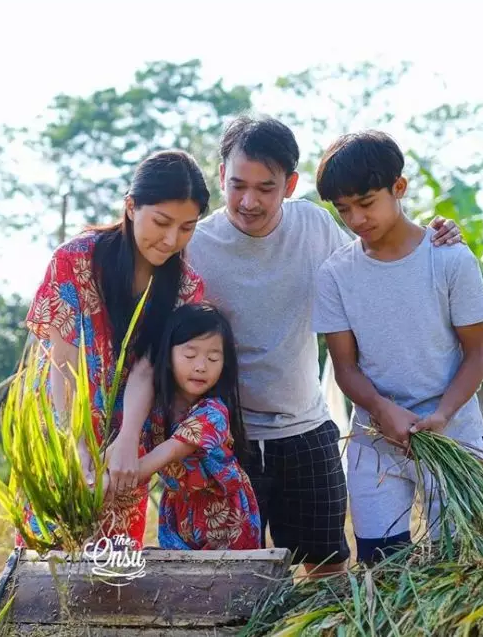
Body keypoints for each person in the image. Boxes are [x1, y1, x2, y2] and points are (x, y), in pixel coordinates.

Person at [184, 115, 463, 574]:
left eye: (266, 188)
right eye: (237, 185)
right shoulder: (196, 246)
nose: (249, 201)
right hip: (225, 435)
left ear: (290, 185)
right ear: (221, 177)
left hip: (306, 429)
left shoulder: (314, 227)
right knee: (228, 576)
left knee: (328, 570)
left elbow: (376, 259)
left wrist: (436, 239)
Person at [312, 130, 483, 564]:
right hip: (376, 439)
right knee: (381, 565)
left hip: (453, 435)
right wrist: (382, 409)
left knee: (461, 565)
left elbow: (476, 355)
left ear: (399, 187)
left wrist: (442, 415)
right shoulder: (335, 274)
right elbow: (345, 368)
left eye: (366, 202)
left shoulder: (450, 259)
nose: (356, 219)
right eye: (343, 209)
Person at [21, 149, 210, 548]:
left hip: (127, 427)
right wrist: (74, 445)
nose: (171, 240)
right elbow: (62, 364)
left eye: (187, 228)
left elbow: (147, 368)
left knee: (114, 561)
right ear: (130, 207)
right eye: (161, 222)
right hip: (62, 417)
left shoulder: (185, 285)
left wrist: (126, 440)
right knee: (49, 551)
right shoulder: (75, 260)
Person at [107, 302, 260, 550]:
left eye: (213, 358)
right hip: (178, 513)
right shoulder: (154, 408)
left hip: (225, 518)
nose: (201, 366)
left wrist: (105, 485)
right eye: (190, 355)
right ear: (168, 357)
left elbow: (167, 452)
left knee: (226, 574)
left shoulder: (213, 413)